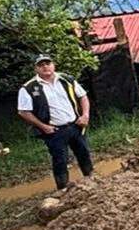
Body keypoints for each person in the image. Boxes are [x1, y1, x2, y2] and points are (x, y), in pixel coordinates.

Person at [16, 52, 94, 191]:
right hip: (54, 131)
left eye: (48, 63)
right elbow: (23, 112)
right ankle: (63, 189)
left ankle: (91, 179)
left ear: (53, 64)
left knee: (84, 153)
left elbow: (83, 96)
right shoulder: (29, 88)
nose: (45, 67)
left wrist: (85, 115)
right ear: (36, 69)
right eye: (41, 65)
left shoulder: (66, 80)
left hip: (75, 125)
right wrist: (43, 127)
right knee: (60, 159)